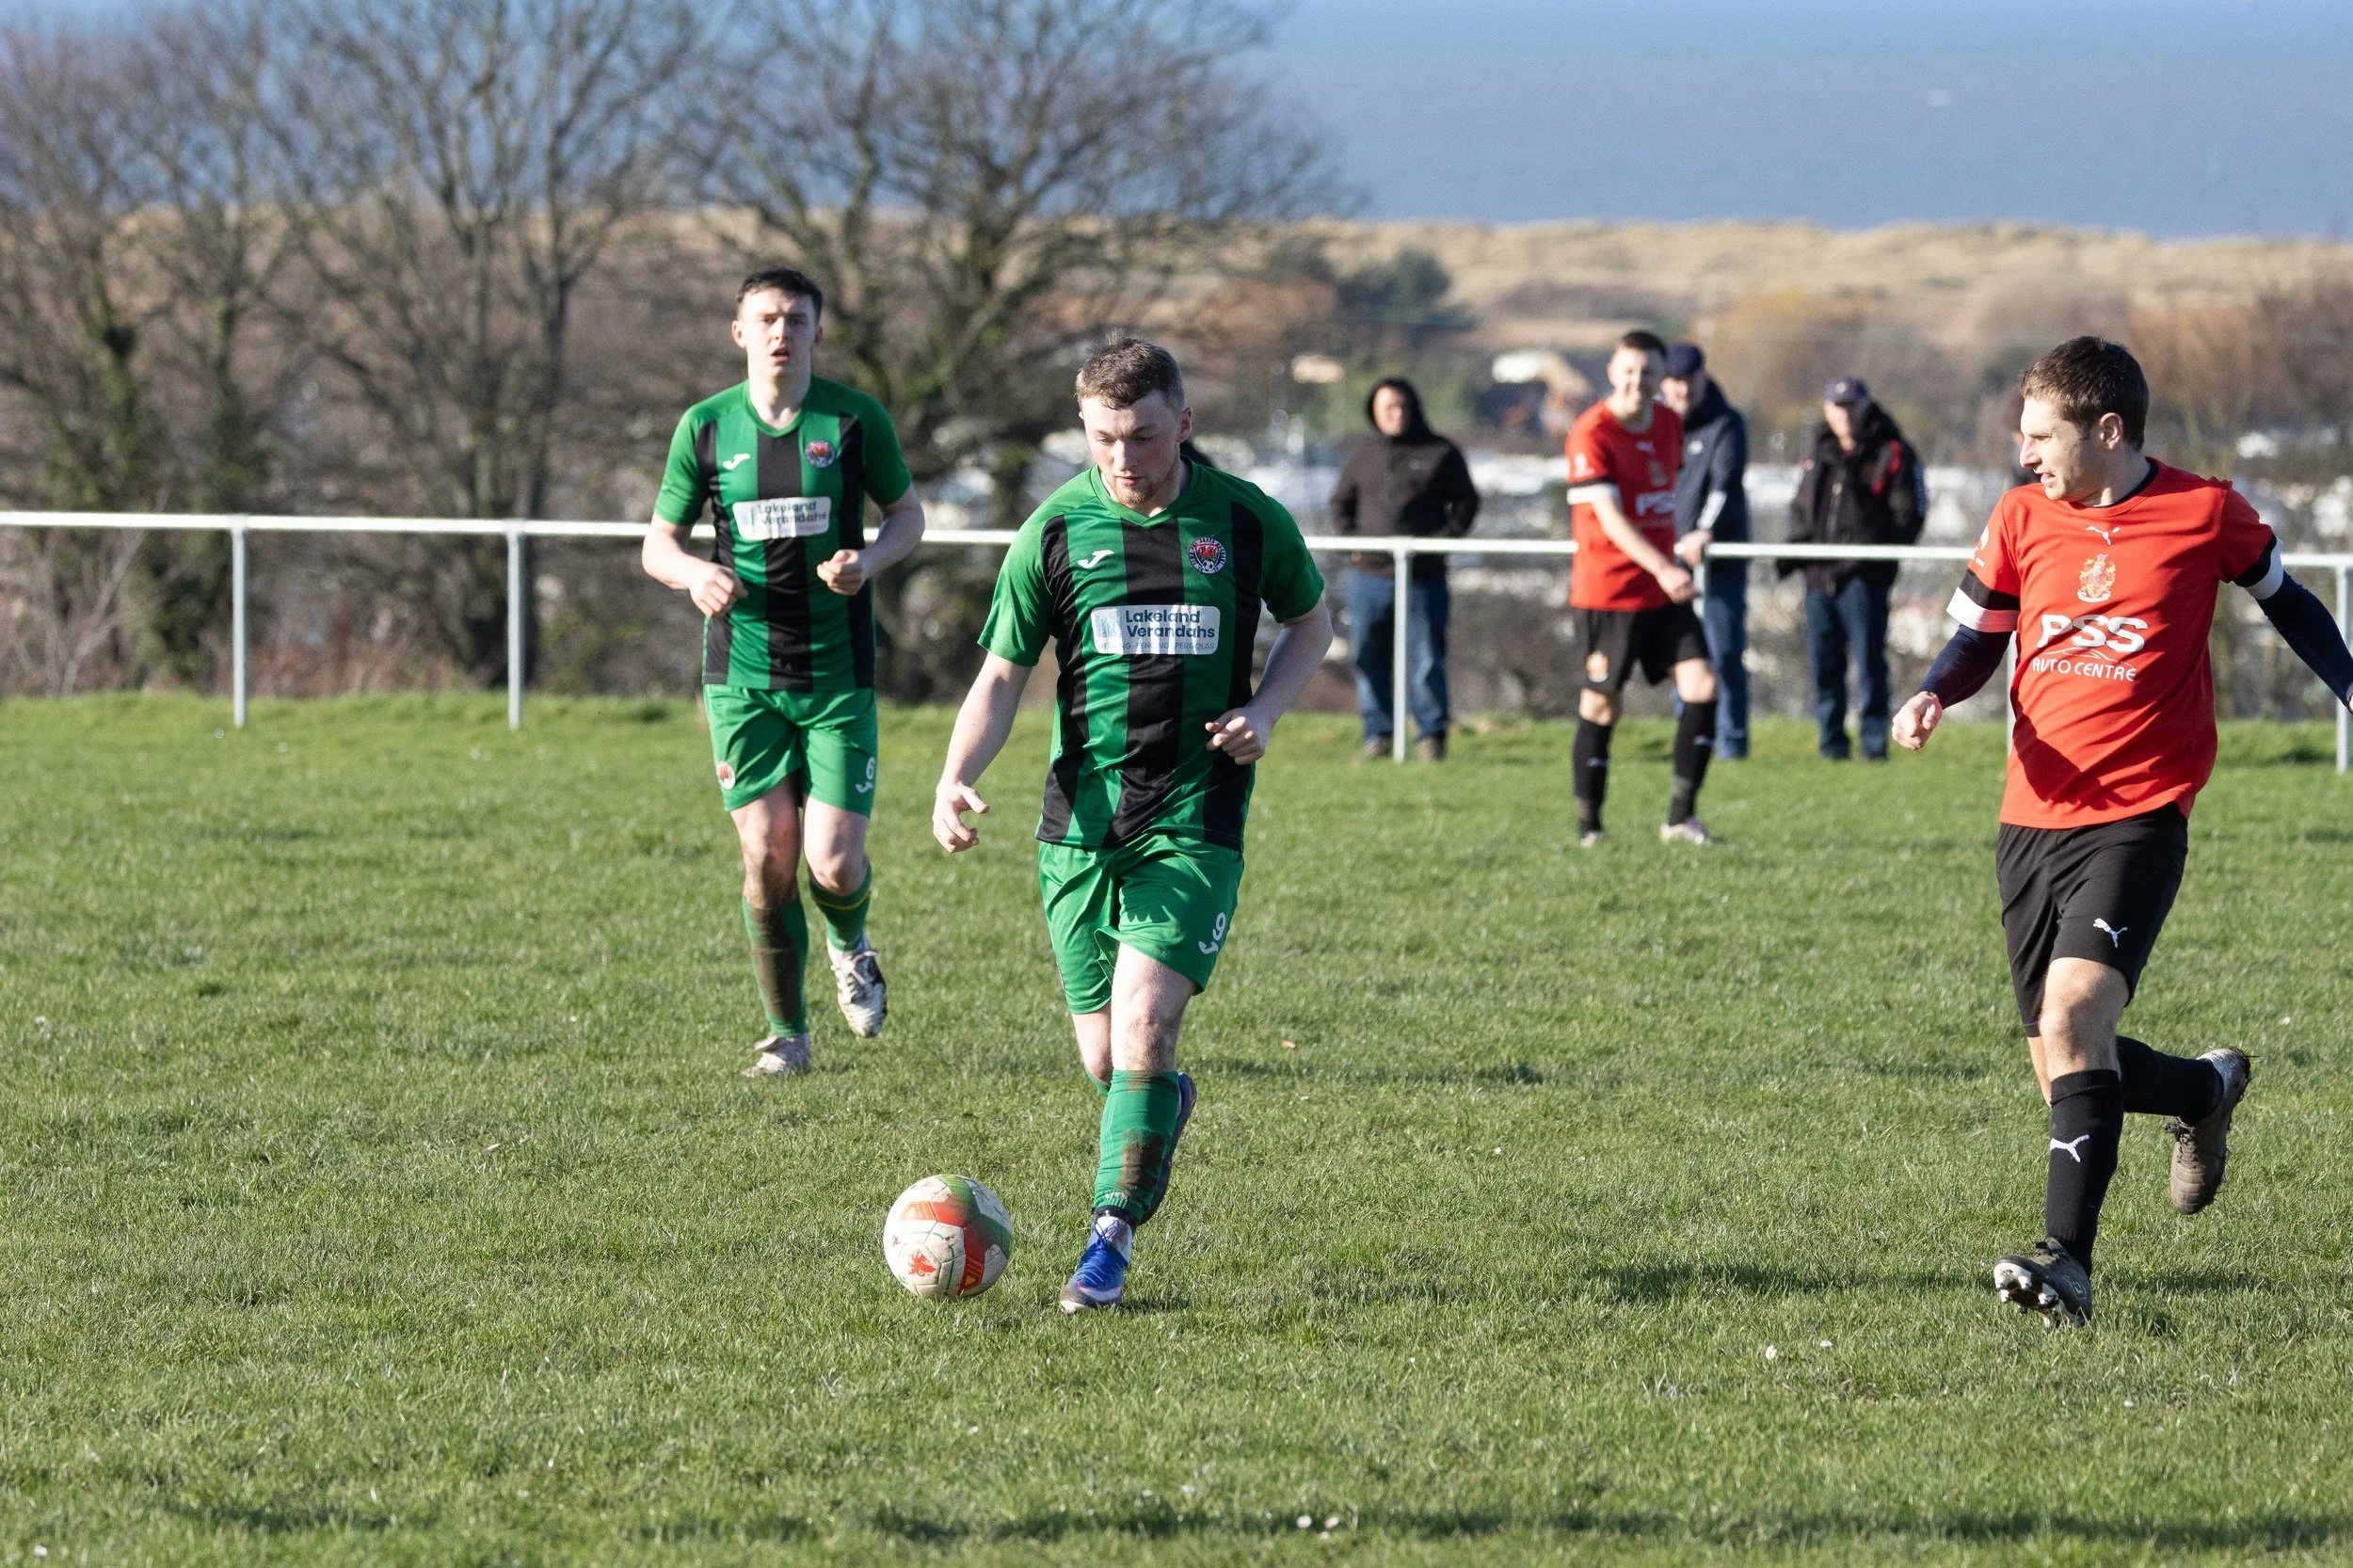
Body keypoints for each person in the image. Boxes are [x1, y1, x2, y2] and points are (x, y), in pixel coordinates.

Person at [1895, 336, 2353, 1327]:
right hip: (2030, 815)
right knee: (2064, 1065)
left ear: (2107, 430)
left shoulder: (2204, 512)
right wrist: (1933, 692)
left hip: (2141, 810)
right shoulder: (2021, 517)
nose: (2025, 455)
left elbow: (2290, 603)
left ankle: (2067, 1264)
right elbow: (1975, 638)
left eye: (2039, 435)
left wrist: (2350, 686)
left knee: (2073, 1023)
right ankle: (2203, 1087)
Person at [933, 338, 1333, 1313]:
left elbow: (1311, 622)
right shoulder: (1055, 530)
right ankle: (1156, 1114)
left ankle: (1105, 1240)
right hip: (1080, 826)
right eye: (1104, 437)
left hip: (1195, 816)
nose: (1123, 457)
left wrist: (1268, 710)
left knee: (1147, 1026)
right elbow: (999, 674)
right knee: (1111, 1063)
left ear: (1182, 424)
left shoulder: (1243, 520)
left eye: (1143, 436)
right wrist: (951, 776)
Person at [642, 266, 926, 1078]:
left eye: (795, 319)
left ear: (816, 333)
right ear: (739, 332)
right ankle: (787, 1034)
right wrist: (693, 573)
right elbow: (656, 542)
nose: (779, 332)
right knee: (768, 860)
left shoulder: (853, 420)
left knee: (832, 861)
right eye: (764, 318)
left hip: (838, 673)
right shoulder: (705, 427)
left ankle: (850, 946)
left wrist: (867, 561)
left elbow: (909, 516)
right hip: (743, 675)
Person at [1565, 328, 1718, 847]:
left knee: (1703, 685)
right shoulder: (1591, 433)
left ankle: (1680, 818)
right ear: (1612, 371)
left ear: (1661, 378)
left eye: (1648, 372)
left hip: (1661, 592)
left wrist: (1672, 562)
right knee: (1603, 706)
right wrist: (1666, 567)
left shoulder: (1670, 425)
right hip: (1608, 593)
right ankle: (1590, 828)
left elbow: (1665, 497)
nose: (1638, 381)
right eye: (1629, 370)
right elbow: (1610, 518)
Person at [1330, 377, 1480, 762]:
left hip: (1424, 577)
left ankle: (1431, 737)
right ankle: (1377, 736)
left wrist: (1442, 541)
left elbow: (1466, 503)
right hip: (1369, 579)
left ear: (1413, 408)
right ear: (1374, 413)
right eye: (1386, 408)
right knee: (1367, 654)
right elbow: (1340, 504)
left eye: (1401, 407)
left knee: (1427, 657)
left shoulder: (1440, 452)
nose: (1395, 414)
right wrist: (1354, 548)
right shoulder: (1363, 454)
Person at [1783, 376, 1926, 760]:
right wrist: (1794, 552)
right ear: (1827, 410)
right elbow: (1801, 508)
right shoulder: (1819, 451)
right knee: (1824, 664)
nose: (1843, 415)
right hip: (1818, 575)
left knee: (1868, 662)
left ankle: (1874, 744)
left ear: (1864, 406)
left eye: (1850, 406)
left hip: (1864, 577)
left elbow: (1909, 514)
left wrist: (1877, 555)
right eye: (1836, 406)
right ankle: (1831, 744)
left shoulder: (1890, 451)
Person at [1660, 344, 1752, 760]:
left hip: (1719, 562)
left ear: (1702, 378)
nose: (1682, 391)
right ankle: (1689, 740)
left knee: (1724, 651)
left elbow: (1724, 484)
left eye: (1689, 380)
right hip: (1671, 562)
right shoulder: (1657, 424)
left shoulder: (1726, 423)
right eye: (1675, 382)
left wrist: (1704, 531)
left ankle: (1730, 744)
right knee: (1684, 656)